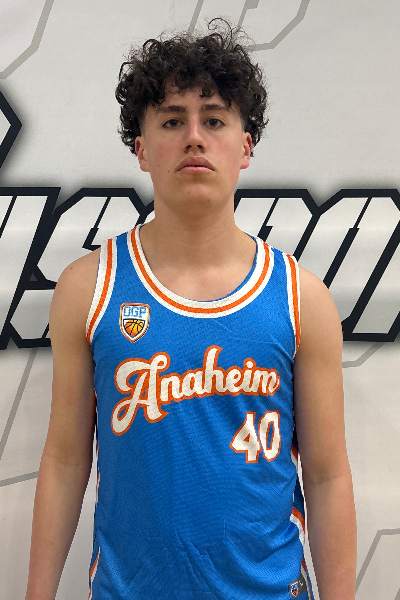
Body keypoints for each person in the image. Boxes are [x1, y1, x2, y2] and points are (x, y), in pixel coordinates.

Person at [25, 20, 356, 600]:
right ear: (142, 148)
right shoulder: (89, 287)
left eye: (215, 119)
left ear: (245, 146)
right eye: (173, 120)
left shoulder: (300, 297)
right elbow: (65, 460)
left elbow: (327, 476)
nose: (195, 138)